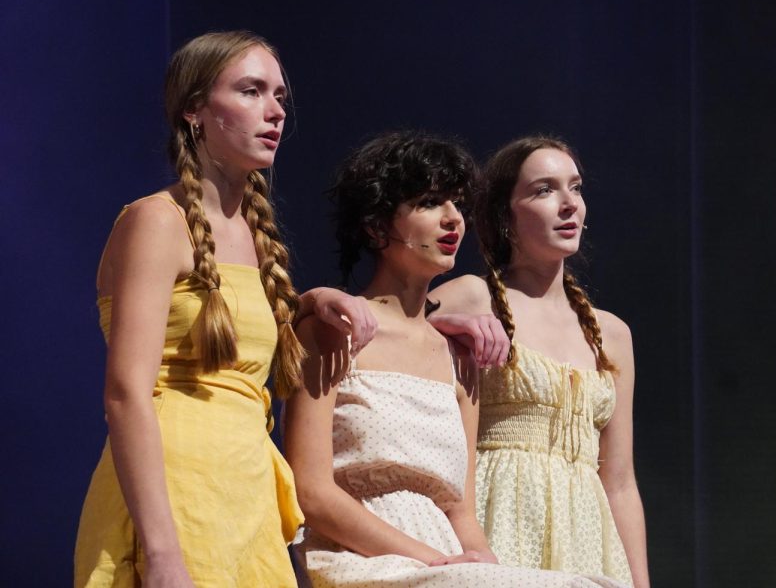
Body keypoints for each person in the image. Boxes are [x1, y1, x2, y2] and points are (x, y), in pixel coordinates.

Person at [74, 31, 376, 587]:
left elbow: (235, 326)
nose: (274, 112)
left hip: (243, 492)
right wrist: (163, 554)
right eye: (251, 91)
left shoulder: (252, 234)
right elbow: (125, 393)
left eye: (280, 96)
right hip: (174, 491)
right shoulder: (156, 221)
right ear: (195, 110)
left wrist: (311, 301)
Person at [284, 131, 625, 588]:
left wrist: (480, 559)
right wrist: (434, 561)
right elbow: (313, 493)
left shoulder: (457, 355)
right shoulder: (332, 330)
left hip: (446, 563)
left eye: (458, 204)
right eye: (429, 203)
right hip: (362, 555)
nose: (452, 220)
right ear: (375, 226)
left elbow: (461, 509)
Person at [428, 136, 650, 587]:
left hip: (590, 540)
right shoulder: (475, 296)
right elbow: (380, 326)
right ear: (505, 215)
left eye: (576, 187)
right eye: (545, 190)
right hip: (502, 520)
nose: (569, 204)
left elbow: (620, 481)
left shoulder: (612, 334)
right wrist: (442, 326)